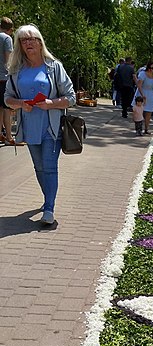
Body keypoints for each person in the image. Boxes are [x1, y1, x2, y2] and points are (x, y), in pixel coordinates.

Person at [5, 24, 76, 225]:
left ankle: (49, 209)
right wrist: (20, 104)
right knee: (39, 167)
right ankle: (48, 199)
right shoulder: (16, 70)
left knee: (50, 167)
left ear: (40, 42)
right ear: (19, 44)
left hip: (51, 127)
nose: (28, 43)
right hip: (29, 127)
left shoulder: (54, 67)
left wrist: (51, 104)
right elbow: (7, 98)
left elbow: (71, 97)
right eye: (24, 40)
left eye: (32, 39)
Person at [134, 60, 153, 133]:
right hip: (141, 94)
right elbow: (139, 86)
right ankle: (139, 128)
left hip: (150, 94)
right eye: (150, 68)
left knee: (149, 112)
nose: (151, 70)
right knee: (139, 112)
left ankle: (146, 129)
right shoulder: (142, 74)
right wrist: (142, 95)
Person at [0, 16, 14, 145]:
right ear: (10, 29)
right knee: (6, 108)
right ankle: (9, 137)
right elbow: (8, 60)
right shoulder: (7, 39)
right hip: (3, 78)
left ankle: (0, 134)